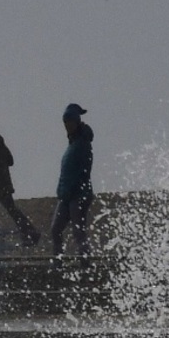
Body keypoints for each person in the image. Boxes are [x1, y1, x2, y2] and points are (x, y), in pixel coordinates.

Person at [0, 119, 40, 247]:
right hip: (5, 184)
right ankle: (30, 233)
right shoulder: (1, 143)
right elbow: (10, 161)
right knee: (12, 210)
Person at [50, 103, 94, 259]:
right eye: (65, 123)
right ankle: (58, 261)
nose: (67, 126)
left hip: (78, 194)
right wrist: (61, 191)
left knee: (78, 230)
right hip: (65, 196)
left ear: (76, 122)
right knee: (55, 229)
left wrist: (75, 189)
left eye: (69, 122)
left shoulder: (83, 144)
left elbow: (84, 170)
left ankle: (86, 261)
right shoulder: (72, 144)